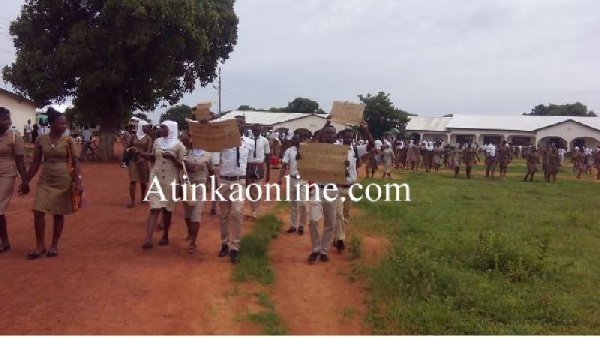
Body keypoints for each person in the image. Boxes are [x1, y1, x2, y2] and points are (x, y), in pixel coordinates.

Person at [25, 107, 83, 259]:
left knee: (58, 213)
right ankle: (40, 245)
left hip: (63, 180)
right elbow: (36, 162)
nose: (64, 126)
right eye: (60, 124)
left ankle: (54, 245)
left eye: (65, 124)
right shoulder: (41, 140)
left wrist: (79, 181)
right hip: (45, 180)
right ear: (51, 124)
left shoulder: (69, 141)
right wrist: (26, 181)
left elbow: (76, 162)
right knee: (38, 211)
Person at [136, 120, 186, 249]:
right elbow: (153, 157)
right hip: (156, 178)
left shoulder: (179, 146)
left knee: (166, 210)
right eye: (160, 127)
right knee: (154, 208)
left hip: (171, 180)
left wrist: (173, 159)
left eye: (163, 127)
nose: (160, 130)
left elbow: (184, 165)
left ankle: (165, 234)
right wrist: (141, 153)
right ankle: (148, 239)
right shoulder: (157, 142)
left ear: (171, 129)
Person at [216, 115, 254, 263]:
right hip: (224, 181)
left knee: (237, 212)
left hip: (239, 181)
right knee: (224, 213)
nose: (239, 125)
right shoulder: (223, 142)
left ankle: (235, 247)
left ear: (244, 125)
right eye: (236, 123)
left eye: (241, 123)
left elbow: (249, 164)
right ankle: (224, 243)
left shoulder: (249, 143)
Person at [0, 107, 29, 253]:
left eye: (8, 119)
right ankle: (4, 239)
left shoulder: (14, 137)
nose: (8, 122)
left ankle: (4, 241)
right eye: (4, 119)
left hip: (7, 175)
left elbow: (20, 161)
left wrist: (25, 181)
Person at [180, 134, 214, 253]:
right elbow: (180, 165)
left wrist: (210, 184)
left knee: (196, 213)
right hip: (187, 186)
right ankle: (190, 231)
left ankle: (193, 241)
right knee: (188, 213)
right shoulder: (186, 153)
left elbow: (211, 171)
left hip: (200, 186)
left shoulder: (208, 155)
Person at [277, 135, 307, 235]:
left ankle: (301, 225)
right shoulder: (289, 151)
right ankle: (293, 225)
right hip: (292, 179)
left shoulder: (307, 149)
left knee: (303, 204)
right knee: (293, 203)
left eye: (297, 138)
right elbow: (284, 165)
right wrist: (279, 178)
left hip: (303, 179)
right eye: (293, 139)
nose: (294, 140)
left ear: (301, 140)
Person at [245, 124, 270, 221]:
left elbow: (267, 157)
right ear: (252, 130)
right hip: (249, 165)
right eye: (255, 130)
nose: (256, 131)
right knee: (249, 189)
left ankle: (255, 211)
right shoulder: (246, 140)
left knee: (256, 188)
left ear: (261, 130)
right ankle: (253, 208)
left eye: (258, 130)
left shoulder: (265, 141)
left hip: (259, 166)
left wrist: (268, 173)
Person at [126, 120, 152, 208]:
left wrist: (143, 157)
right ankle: (132, 201)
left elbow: (148, 151)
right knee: (133, 180)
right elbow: (127, 147)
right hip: (133, 160)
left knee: (143, 182)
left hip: (143, 161)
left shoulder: (148, 138)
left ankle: (142, 197)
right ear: (141, 126)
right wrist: (130, 149)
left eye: (148, 127)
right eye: (146, 126)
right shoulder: (133, 136)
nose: (147, 128)